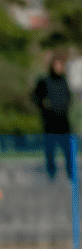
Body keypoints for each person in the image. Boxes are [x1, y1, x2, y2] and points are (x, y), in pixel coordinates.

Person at [31, 52, 76, 183]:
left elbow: (69, 97)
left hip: (64, 122)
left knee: (68, 151)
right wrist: (44, 104)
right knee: (50, 150)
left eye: (61, 65)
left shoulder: (64, 81)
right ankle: (51, 174)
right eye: (57, 64)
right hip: (50, 123)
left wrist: (67, 104)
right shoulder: (44, 81)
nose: (59, 67)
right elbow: (35, 97)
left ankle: (71, 174)